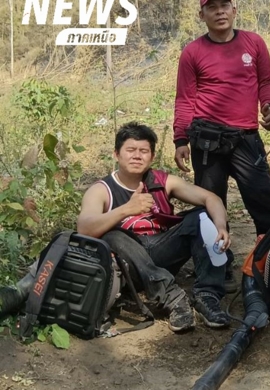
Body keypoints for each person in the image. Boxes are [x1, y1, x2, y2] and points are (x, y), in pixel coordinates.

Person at [0, 122, 232, 331]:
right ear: (116, 154)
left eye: (143, 151)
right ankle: (172, 297)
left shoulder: (163, 182)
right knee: (112, 235)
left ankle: (207, 297)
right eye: (130, 150)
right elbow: (84, 228)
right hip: (125, 266)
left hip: (161, 252)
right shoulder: (101, 190)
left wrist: (220, 226)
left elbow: (210, 198)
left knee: (202, 217)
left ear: (152, 157)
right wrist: (126, 209)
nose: (137, 156)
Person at [173, 0, 270, 291]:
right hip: (207, 141)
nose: (219, 12)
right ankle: (218, 267)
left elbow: (266, 81)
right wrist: (180, 139)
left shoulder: (253, 43)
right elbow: (185, 98)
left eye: (224, 6)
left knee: (263, 199)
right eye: (212, 7)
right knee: (210, 205)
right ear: (202, 15)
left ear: (234, 11)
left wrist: (268, 106)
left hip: (246, 137)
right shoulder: (192, 52)